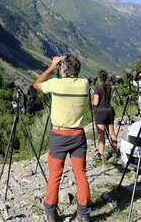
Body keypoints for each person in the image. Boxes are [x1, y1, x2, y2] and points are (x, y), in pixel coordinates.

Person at [33, 54, 92, 222]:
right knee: (81, 174)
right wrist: (62, 67)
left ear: (63, 69)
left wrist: (52, 67)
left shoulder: (56, 84)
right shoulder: (84, 84)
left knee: (55, 175)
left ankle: (51, 212)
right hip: (78, 135)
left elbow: (36, 84)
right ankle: (84, 213)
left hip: (59, 136)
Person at [92, 70, 117, 159]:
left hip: (100, 112)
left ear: (99, 78)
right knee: (112, 133)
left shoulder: (97, 88)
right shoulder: (109, 87)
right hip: (109, 111)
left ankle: (100, 154)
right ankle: (115, 151)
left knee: (101, 134)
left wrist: (92, 100)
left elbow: (95, 103)